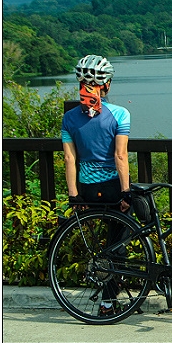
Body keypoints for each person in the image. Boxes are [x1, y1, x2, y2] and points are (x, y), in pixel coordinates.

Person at [61, 54, 132, 317]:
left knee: (105, 242)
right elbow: (120, 157)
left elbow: (70, 158)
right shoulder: (120, 114)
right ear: (108, 84)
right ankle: (108, 302)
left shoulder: (69, 118)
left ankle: (110, 294)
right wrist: (126, 192)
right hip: (113, 187)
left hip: (87, 189)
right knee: (119, 241)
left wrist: (74, 197)